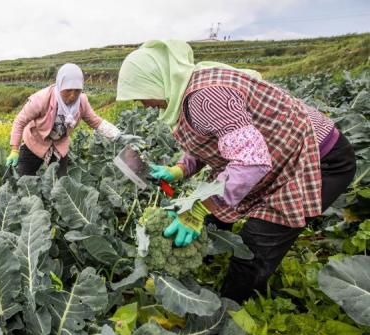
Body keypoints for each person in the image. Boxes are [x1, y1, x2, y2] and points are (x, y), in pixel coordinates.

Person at [116, 40, 356, 302]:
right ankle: (204, 265)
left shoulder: (204, 97)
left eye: (140, 94)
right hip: (275, 157)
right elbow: (217, 138)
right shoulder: (188, 90)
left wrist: (197, 208)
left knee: (255, 246)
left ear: (155, 80)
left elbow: (250, 162)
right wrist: (179, 169)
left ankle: (226, 315)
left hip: (318, 159)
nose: (142, 104)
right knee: (213, 214)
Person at [7, 63, 137, 176]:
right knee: (23, 181)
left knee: (62, 185)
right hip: (34, 143)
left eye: (77, 90)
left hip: (59, 147)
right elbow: (20, 122)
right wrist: (14, 149)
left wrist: (119, 136)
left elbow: (96, 122)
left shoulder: (82, 102)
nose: (73, 95)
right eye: (68, 90)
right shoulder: (41, 100)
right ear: (60, 85)